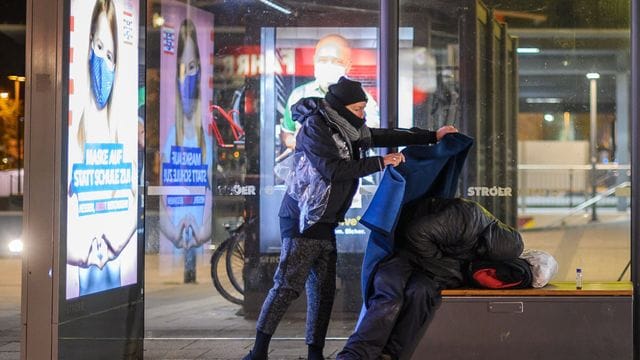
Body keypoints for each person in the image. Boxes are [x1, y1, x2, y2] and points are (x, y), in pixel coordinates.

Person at [243, 76, 458, 360]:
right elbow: (333, 169)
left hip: (325, 220)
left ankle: (315, 354)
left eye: (363, 108)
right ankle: (257, 352)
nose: (362, 114)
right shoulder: (316, 127)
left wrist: (431, 137)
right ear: (341, 107)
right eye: (358, 108)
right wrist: (381, 162)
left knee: (322, 291)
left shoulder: (348, 128)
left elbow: (383, 135)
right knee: (287, 286)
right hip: (303, 219)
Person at [66, 0, 138, 297]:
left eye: (110, 55)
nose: (103, 62)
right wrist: (83, 252)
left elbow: (134, 200)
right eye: (97, 47)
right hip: (79, 275)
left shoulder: (120, 130)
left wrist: (112, 243)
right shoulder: (74, 130)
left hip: (114, 265)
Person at [159, 18, 214, 282]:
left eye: (192, 68)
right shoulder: (171, 134)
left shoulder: (206, 135)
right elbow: (161, 187)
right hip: (177, 222)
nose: (186, 77)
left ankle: (189, 270)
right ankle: (187, 270)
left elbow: (211, 185)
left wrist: (204, 228)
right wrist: (170, 229)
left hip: (195, 220)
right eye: (181, 68)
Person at [279, 34, 380, 153]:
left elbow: (371, 138)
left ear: (348, 65)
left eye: (337, 61)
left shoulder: (363, 99)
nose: (329, 65)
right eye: (323, 60)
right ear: (314, 60)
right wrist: (303, 143)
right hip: (309, 169)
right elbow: (287, 134)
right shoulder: (299, 95)